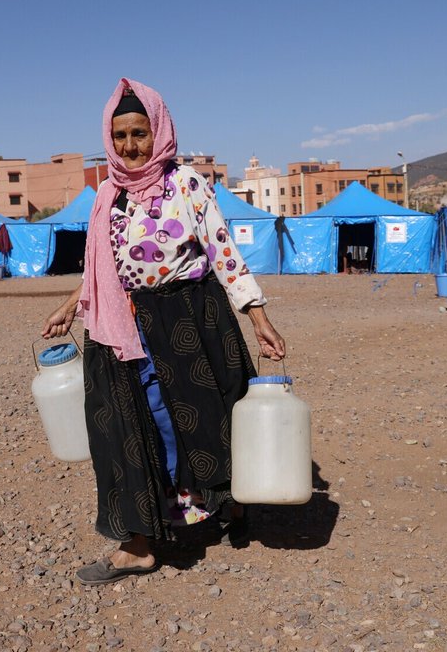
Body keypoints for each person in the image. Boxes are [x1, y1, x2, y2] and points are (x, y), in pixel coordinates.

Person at [43, 78, 286, 586]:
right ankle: (138, 542)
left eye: (139, 133)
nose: (130, 146)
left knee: (209, 415)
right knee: (128, 429)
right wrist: (71, 305)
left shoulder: (187, 184)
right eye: (121, 136)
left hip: (189, 318)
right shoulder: (107, 194)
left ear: (159, 130)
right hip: (122, 327)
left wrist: (258, 317)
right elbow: (102, 268)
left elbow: (223, 252)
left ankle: (230, 504)